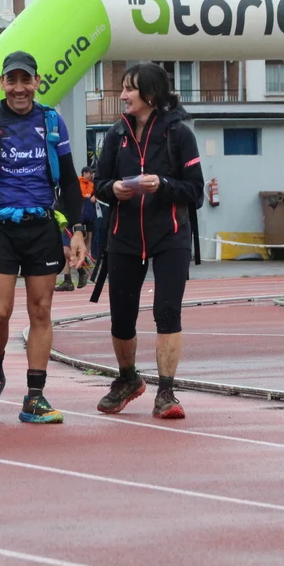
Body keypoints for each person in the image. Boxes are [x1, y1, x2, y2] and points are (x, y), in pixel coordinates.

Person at [0, 50, 87, 424]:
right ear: (2, 83)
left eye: (26, 80)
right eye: (13, 80)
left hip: (41, 226)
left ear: (37, 82)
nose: (20, 88)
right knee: (0, 311)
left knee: (41, 311)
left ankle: (35, 397)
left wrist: (77, 230)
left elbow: (70, 180)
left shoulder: (52, 122)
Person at [92, 62, 204, 420]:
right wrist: (114, 188)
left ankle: (166, 392)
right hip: (123, 236)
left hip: (170, 234)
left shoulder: (179, 134)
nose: (123, 95)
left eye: (129, 89)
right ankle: (128, 379)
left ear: (151, 95)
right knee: (121, 318)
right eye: (123, 88)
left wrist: (163, 185)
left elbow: (196, 192)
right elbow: (98, 185)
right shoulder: (116, 134)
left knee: (167, 312)